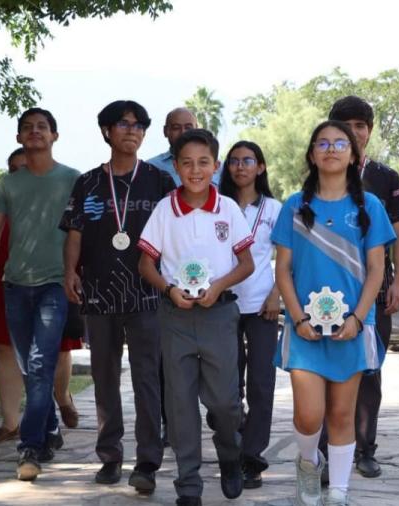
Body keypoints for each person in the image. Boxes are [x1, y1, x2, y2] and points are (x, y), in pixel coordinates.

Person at [272, 120, 395, 506]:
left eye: (340, 143)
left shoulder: (369, 206)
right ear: (312, 154)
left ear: (353, 154)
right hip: (305, 330)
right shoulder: (295, 205)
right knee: (309, 417)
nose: (331, 149)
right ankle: (309, 463)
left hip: (353, 327)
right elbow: (282, 269)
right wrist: (298, 318)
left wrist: (358, 318)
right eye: (322, 143)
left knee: (343, 414)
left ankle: (339, 491)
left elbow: (377, 270)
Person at [59, 100, 175, 493]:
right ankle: (110, 456)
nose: (133, 130)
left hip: (146, 293)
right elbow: (74, 230)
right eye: (123, 124)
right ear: (107, 131)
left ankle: (147, 461)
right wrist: (70, 271)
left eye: (140, 124)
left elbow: (175, 232)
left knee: (147, 378)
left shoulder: (160, 181)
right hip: (99, 291)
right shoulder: (88, 182)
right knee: (104, 377)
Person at [138, 128, 254, 506]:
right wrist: (169, 289)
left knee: (224, 403)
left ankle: (230, 453)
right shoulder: (164, 210)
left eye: (203, 162)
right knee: (180, 404)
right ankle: (188, 485)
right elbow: (145, 264)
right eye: (186, 163)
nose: (195, 170)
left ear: (216, 167)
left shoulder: (229, 209)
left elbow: (247, 263)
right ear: (175, 167)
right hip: (176, 317)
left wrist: (218, 286)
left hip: (219, 316)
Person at [0, 108, 80, 481]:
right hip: (14, 286)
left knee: (39, 364)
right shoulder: (8, 184)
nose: (35, 132)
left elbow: (81, 234)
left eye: (42, 127)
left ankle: (29, 448)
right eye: (27, 128)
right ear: (19, 138)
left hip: (55, 284)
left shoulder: (72, 179)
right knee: (28, 367)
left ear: (54, 136)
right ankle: (49, 428)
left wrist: (73, 274)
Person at [319, 96, 399, 479]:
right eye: (347, 125)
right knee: (327, 373)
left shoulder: (387, 179)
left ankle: (365, 450)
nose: (355, 132)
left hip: (375, 292)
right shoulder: (320, 175)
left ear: (369, 131)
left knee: (370, 371)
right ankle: (325, 452)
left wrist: (397, 283)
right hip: (325, 295)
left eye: (361, 125)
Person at [217, 141, 282, 489]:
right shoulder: (219, 206)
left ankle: (252, 458)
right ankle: (232, 446)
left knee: (260, 384)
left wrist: (276, 295)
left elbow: (288, 257)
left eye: (248, 161)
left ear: (260, 167)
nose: (240, 167)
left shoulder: (275, 208)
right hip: (222, 305)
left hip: (261, 307)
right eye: (234, 161)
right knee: (225, 389)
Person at [147, 107, 221, 186]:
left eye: (188, 127)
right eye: (176, 128)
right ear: (165, 131)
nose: (183, 132)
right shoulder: (151, 167)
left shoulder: (220, 169)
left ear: (196, 129)